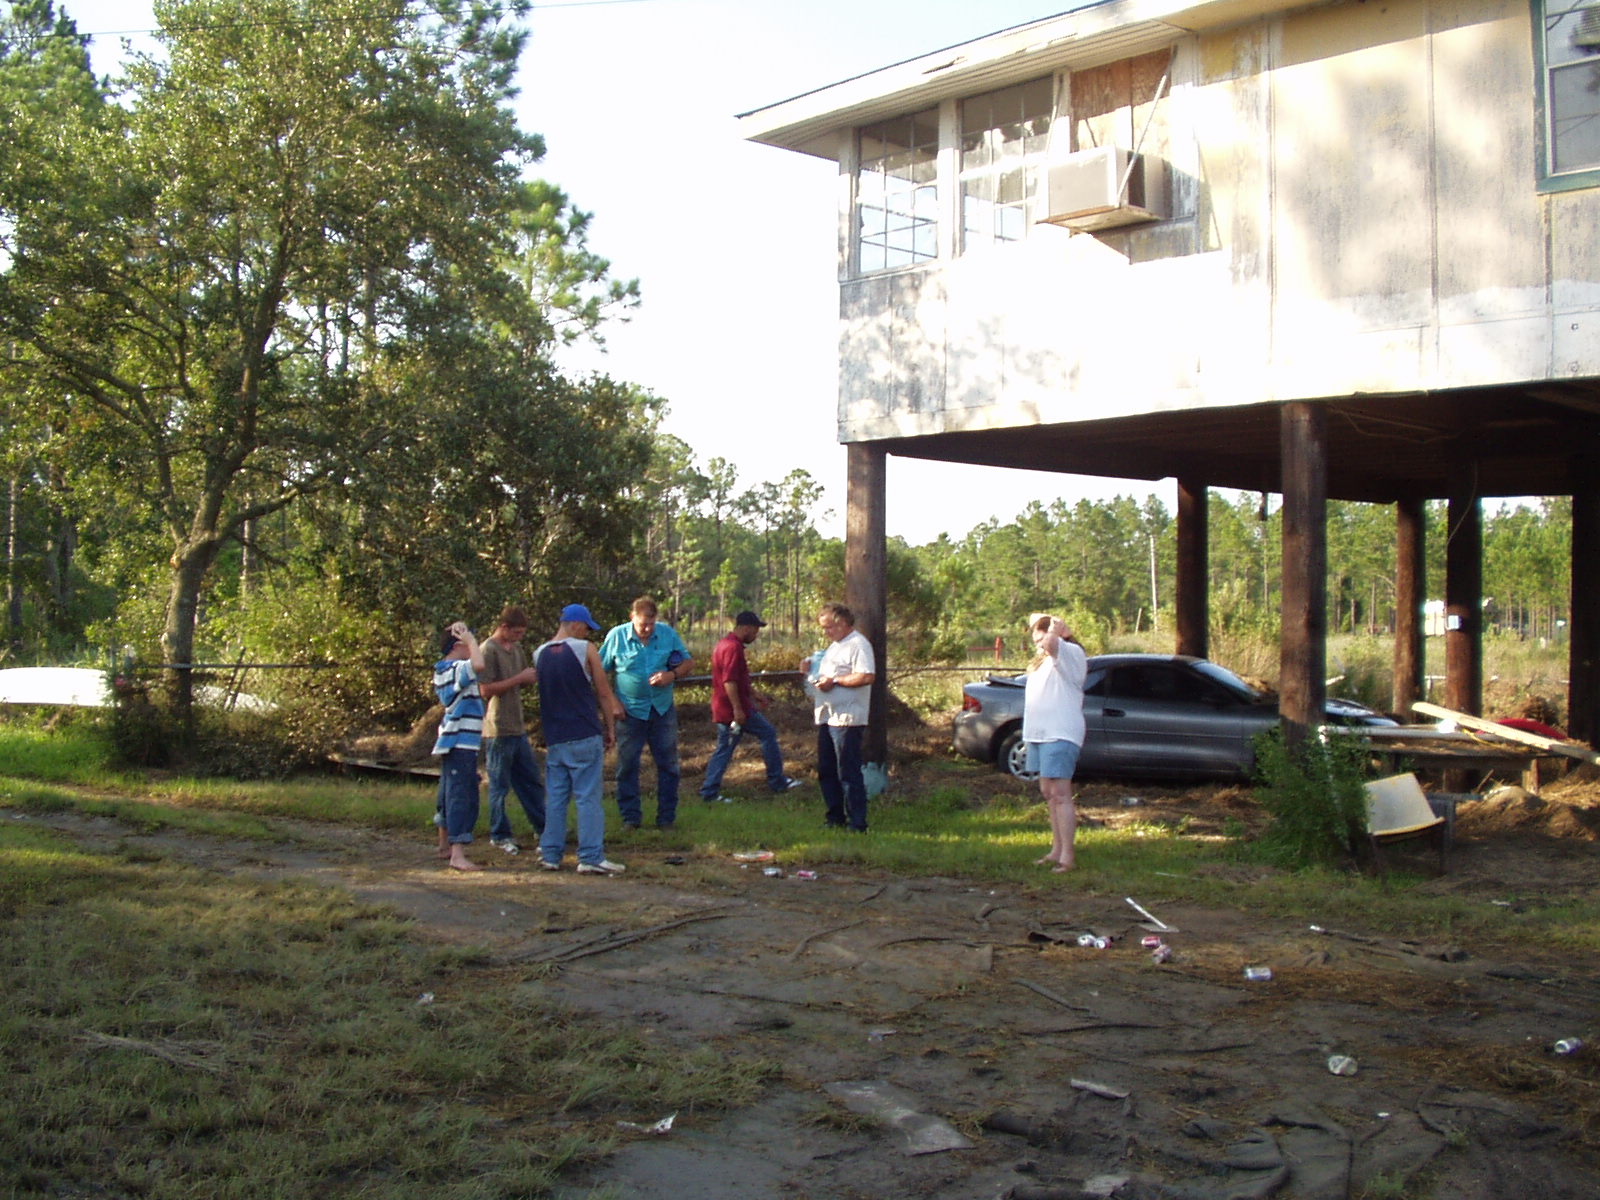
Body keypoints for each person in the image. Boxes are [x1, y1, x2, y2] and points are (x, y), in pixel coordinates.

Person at [535, 603, 626, 875]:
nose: (587, 633)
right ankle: (590, 855)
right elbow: (603, 692)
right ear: (575, 624)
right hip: (584, 731)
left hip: (555, 736)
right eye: (586, 627)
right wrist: (610, 728)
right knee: (587, 796)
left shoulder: (539, 654)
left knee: (556, 797)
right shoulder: (585, 650)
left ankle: (550, 854)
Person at [600, 596, 692, 830]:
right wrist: (612, 703)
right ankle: (630, 818)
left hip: (661, 709)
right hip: (630, 712)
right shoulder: (616, 637)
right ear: (632, 618)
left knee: (668, 765)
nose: (647, 629)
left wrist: (671, 675)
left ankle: (666, 818)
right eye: (643, 625)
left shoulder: (667, 634)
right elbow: (599, 673)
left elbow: (687, 663)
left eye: (651, 624)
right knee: (627, 765)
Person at [699, 610, 802, 804]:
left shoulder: (725, 644)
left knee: (727, 747)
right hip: (732, 710)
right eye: (755, 630)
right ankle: (776, 781)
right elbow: (729, 681)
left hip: (732, 706)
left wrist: (755, 695)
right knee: (764, 735)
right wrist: (738, 709)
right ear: (746, 628)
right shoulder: (732, 648)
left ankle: (709, 790)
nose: (756, 635)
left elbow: (739, 679)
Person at [1022, 612, 1088, 873]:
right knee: (1049, 795)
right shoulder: (1043, 662)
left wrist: (1057, 629)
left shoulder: (1071, 653)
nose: (1039, 645)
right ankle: (1055, 850)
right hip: (1039, 734)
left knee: (1061, 795)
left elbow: (1051, 644)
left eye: (1041, 638)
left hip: (1060, 733)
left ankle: (1067, 857)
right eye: (1036, 640)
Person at [478, 605, 544, 855]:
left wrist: (529, 679)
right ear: (503, 627)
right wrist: (518, 679)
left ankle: (542, 826)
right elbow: (485, 690)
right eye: (515, 632)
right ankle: (499, 833)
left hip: (517, 726)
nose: (519, 638)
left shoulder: (516, 650)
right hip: (497, 728)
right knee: (499, 784)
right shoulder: (488, 650)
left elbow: (523, 680)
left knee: (530, 781)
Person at [809, 602, 875, 833]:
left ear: (842, 623)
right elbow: (825, 671)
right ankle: (835, 816)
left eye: (829, 627)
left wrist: (835, 682)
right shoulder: (835, 647)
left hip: (847, 718)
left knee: (848, 771)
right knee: (827, 769)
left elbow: (866, 676)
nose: (826, 632)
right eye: (824, 628)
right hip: (828, 716)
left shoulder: (858, 644)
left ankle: (857, 823)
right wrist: (810, 670)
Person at [432, 620, 486, 872]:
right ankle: (457, 852)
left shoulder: (444, 670)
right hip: (460, 741)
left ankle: (444, 845)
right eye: (468, 644)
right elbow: (478, 664)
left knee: (447, 793)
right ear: (458, 645)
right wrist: (471, 640)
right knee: (461, 795)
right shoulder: (454, 668)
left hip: (455, 740)